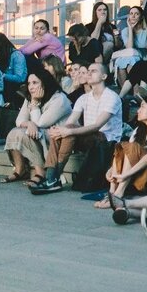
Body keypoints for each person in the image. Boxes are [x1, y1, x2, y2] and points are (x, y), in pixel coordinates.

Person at [31, 62, 123, 194]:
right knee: (60, 131)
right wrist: (61, 130)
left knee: (68, 131)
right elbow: (70, 122)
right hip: (89, 138)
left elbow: (97, 126)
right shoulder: (84, 98)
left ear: (104, 76)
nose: (89, 73)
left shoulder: (111, 97)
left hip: (107, 141)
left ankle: (53, 178)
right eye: (88, 71)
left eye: (94, 71)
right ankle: (52, 178)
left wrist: (68, 130)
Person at [100, 90, 147, 214]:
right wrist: (112, 170)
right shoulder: (138, 130)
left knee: (132, 147)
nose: (138, 110)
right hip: (139, 175)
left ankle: (118, 194)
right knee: (122, 146)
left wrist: (126, 174)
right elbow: (125, 153)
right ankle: (112, 192)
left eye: (142, 107)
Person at [2, 67, 71, 186]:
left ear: (45, 82)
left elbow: (41, 123)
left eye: (35, 83)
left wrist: (34, 104)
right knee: (15, 131)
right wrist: (29, 123)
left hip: (58, 138)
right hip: (42, 135)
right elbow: (19, 121)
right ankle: (20, 170)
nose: (31, 87)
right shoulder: (30, 97)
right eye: (29, 83)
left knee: (26, 133)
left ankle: (40, 173)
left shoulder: (59, 99)